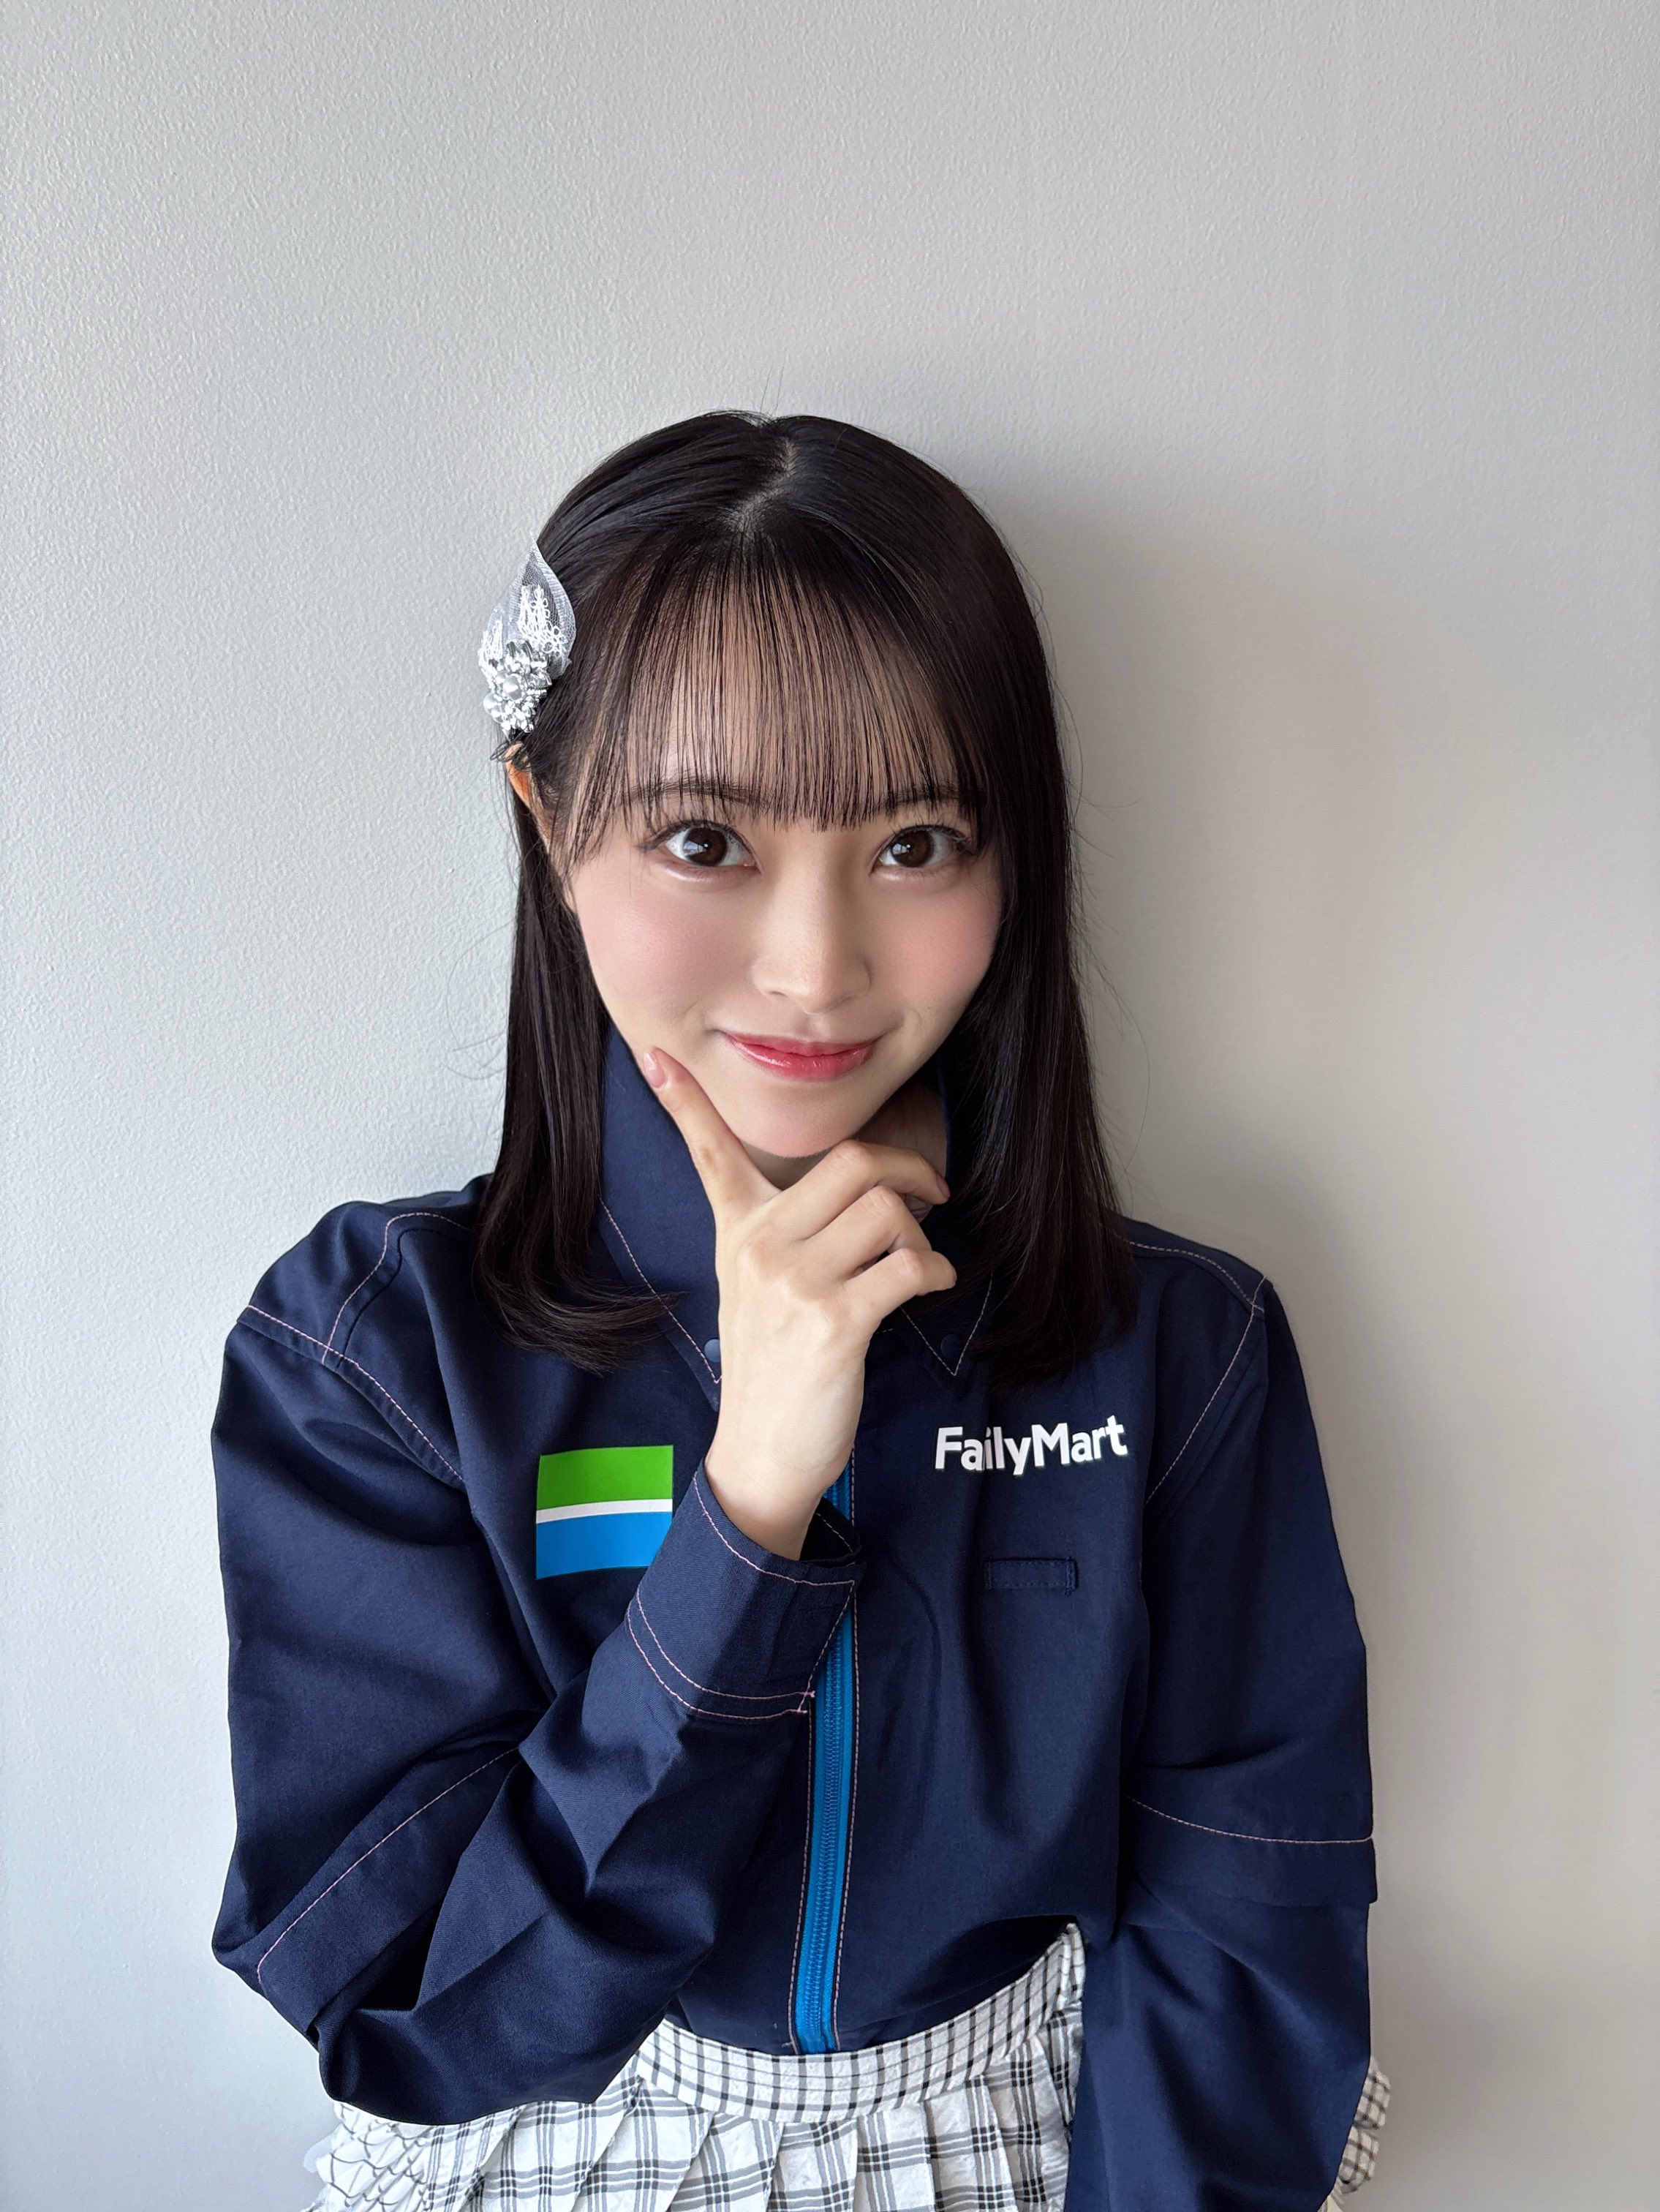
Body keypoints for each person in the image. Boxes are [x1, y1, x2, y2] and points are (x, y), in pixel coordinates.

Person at [210, 410, 1388, 2212]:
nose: (816, 969)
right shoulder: (372, 1349)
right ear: (547, 816)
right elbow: (422, 2011)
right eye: (704, 838)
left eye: (916, 842)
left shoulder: (1175, 1345)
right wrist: (748, 1510)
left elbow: (1242, 1927)